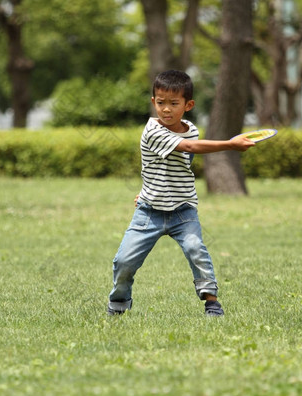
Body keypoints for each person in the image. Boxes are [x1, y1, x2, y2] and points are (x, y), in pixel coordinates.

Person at [107, 70, 255, 317]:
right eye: (160, 102)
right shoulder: (152, 130)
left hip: (183, 211)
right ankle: (119, 302)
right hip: (149, 213)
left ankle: (212, 304)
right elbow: (189, 147)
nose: (166, 109)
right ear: (153, 102)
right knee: (124, 261)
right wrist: (231, 144)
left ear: (189, 105)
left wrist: (149, 187)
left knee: (197, 251)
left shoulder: (191, 129)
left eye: (174, 104)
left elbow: (168, 166)